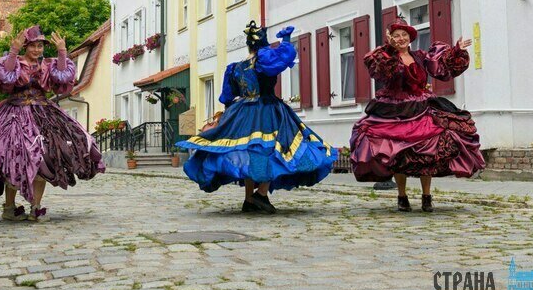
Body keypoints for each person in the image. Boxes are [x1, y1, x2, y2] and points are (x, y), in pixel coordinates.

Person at [175, 21, 337, 213]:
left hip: (241, 111)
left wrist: (229, 116)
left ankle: (249, 199)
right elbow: (282, 59)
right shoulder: (263, 62)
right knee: (271, 149)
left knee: (249, 151)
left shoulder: (235, 68)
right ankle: (260, 194)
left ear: (248, 45)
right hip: (267, 110)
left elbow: (227, 95)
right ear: (262, 46)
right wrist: (285, 41)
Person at [0, 25, 105, 221]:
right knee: (10, 155)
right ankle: (9, 207)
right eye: (33, 46)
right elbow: (6, 76)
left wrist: (62, 51)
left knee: (45, 155)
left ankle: (36, 207)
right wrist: (13, 50)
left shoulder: (48, 65)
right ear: (25, 46)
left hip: (43, 113)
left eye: (40, 46)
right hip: (14, 113)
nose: (37, 50)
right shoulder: (14, 63)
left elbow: (63, 77)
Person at [350, 19, 485, 212]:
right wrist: (388, 48)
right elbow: (379, 72)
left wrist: (457, 50)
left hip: (422, 107)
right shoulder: (385, 57)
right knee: (396, 153)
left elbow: (441, 68)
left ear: (410, 37)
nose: (401, 39)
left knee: (428, 153)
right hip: (394, 110)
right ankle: (402, 196)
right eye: (396, 35)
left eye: (404, 35)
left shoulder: (421, 56)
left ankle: (426, 196)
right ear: (391, 39)